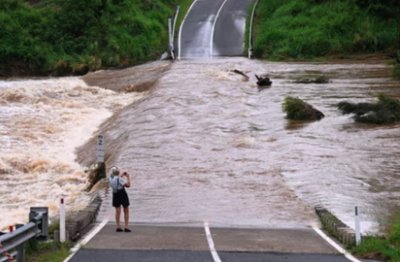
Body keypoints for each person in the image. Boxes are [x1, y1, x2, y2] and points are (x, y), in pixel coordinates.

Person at [109, 166, 131, 232]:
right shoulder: (120, 179)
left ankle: (118, 226)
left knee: (117, 211)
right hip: (122, 194)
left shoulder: (110, 178)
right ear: (118, 172)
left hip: (115, 194)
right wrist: (128, 177)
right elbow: (128, 185)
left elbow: (117, 179)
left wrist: (121, 175)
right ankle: (126, 226)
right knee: (126, 209)